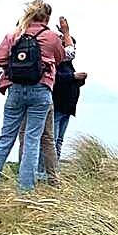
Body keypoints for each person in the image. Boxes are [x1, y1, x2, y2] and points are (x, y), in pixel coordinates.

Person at [0, 0, 67, 195]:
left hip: (15, 90)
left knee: (5, 139)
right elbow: (60, 58)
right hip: (40, 90)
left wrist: (13, 62)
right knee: (32, 140)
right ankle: (25, 190)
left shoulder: (14, 35)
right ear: (46, 17)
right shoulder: (51, 37)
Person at [51, 15, 87, 151]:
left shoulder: (68, 64)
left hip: (67, 107)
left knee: (58, 140)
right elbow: (56, 78)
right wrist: (73, 77)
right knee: (52, 141)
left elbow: (70, 80)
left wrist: (78, 79)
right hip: (58, 105)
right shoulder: (56, 62)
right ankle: (46, 170)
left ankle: (53, 169)